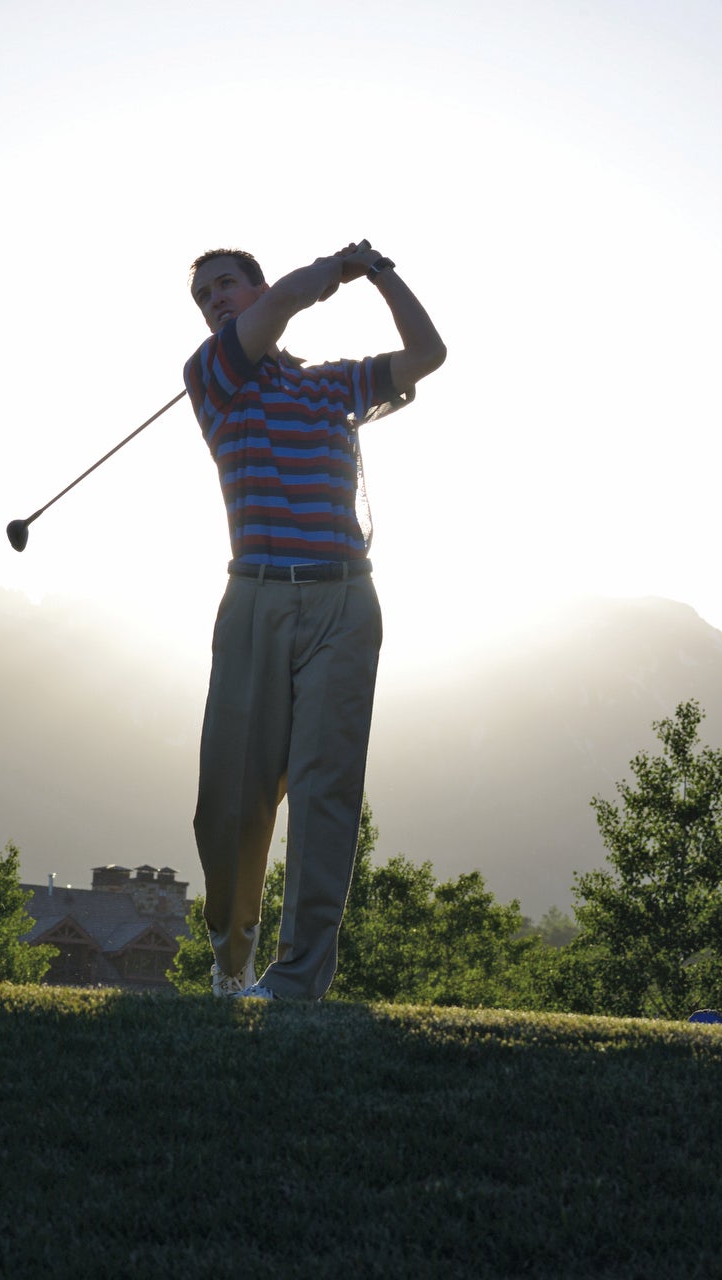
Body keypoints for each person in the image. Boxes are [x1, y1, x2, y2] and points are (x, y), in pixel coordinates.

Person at [182, 241, 445, 1000]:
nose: (215, 302)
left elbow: (428, 353)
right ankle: (232, 956)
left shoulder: (333, 385)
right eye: (205, 299)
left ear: (253, 283)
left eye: (225, 286)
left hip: (342, 600)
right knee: (230, 797)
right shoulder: (212, 374)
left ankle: (297, 980)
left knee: (327, 792)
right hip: (255, 599)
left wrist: (381, 273)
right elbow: (282, 305)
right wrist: (333, 266)